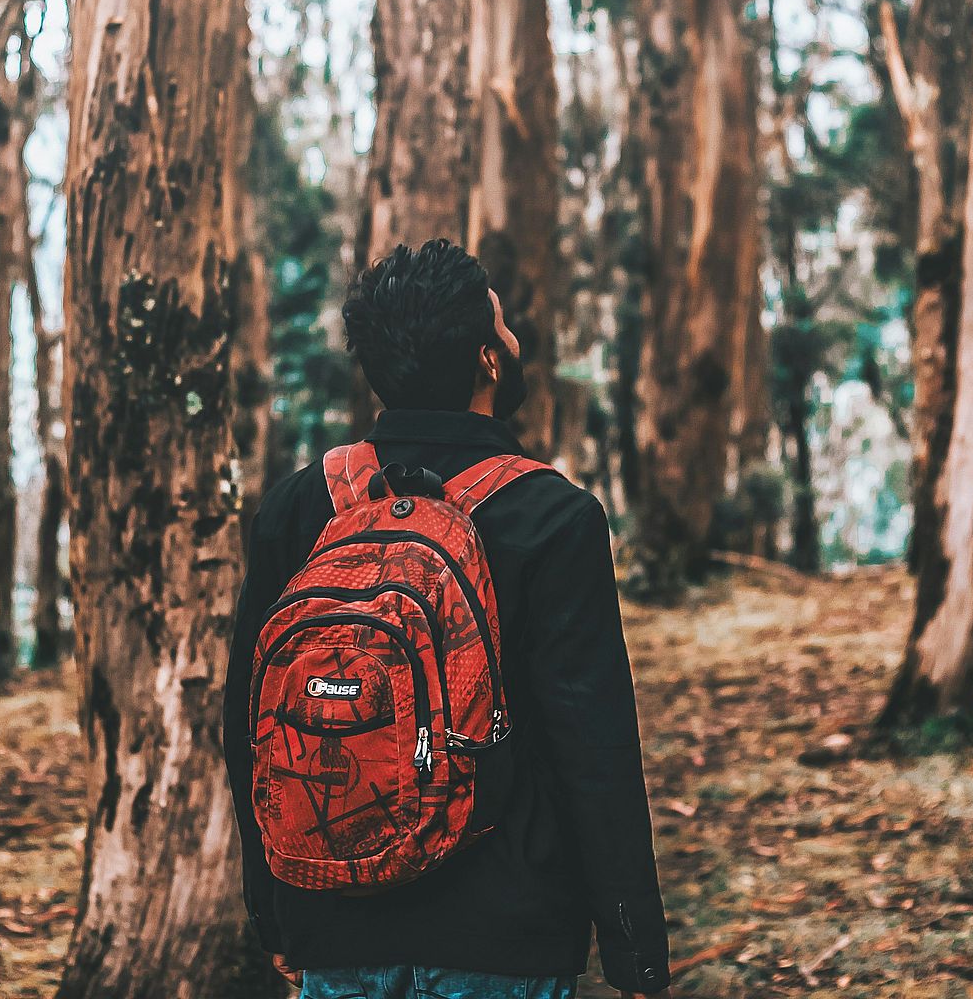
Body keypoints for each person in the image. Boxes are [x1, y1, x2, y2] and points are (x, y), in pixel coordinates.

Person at [223, 239, 674, 999]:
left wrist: (276, 911)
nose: (512, 340)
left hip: (335, 921)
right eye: (502, 327)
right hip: (505, 932)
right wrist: (634, 949)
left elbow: (248, 724)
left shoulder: (303, 506)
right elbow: (592, 749)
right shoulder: (551, 516)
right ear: (489, 360)